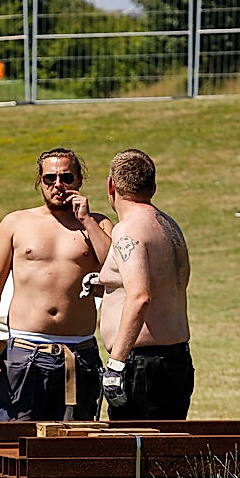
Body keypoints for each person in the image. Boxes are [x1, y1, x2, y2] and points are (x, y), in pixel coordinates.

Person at [0, 148, 113, 421]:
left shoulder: (98, 223)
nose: (58, 185)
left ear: (80, 180)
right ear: (39, 181)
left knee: (75, 447)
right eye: (49, 178)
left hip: (79, 353)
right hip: (25, 352)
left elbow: (115, 268)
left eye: (66, 177)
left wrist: (86, 219)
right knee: (16, 443)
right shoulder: (15, 223)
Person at [98, 148, 193, 420]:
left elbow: (140, 297)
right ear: (153, 186)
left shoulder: (128, 229)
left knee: (135, 455)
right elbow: (167, 283)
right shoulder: (169, 226)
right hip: (175, 360)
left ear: (111, 185)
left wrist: (116, 365)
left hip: (142, 367)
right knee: (166, 453)